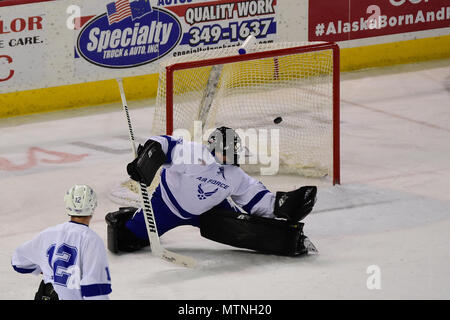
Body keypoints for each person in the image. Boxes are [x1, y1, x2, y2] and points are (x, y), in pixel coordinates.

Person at [106, 127, 318, 256]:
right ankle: (128, 216)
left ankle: (291, 239)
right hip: (165, 207)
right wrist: (146, 159)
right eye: (225, 152)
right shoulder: (194, 155)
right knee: (126, 239)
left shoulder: (234, 174)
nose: (230, 157)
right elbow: (167, 145)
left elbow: (253, 196)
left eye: (231, 153)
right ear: (213, 148)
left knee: (250, 231)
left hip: (211, 211)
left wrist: (280, 205)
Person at [11, 185, 112, 300]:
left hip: (48, 295)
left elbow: (18, 262)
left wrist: (49, 268)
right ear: (93, 206)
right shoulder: (93, 240)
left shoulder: (48, 233)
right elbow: (95, 292)